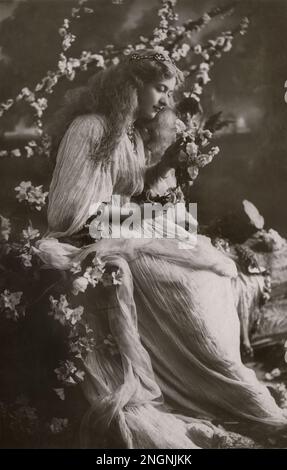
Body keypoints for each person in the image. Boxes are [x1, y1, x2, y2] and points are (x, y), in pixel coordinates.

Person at [34, 49, 287, 448]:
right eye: (161, 89)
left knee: (211, 268)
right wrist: (141, 219)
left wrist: (169, 168)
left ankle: (224, 382)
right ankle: (226, 388)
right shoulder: (89, 128)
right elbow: (68, 210)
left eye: (170, 92)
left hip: (121, 231)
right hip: (84, 239)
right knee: (183, 284)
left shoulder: (133, 136)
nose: (166, 100)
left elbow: (134, 195)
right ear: (132, 85)